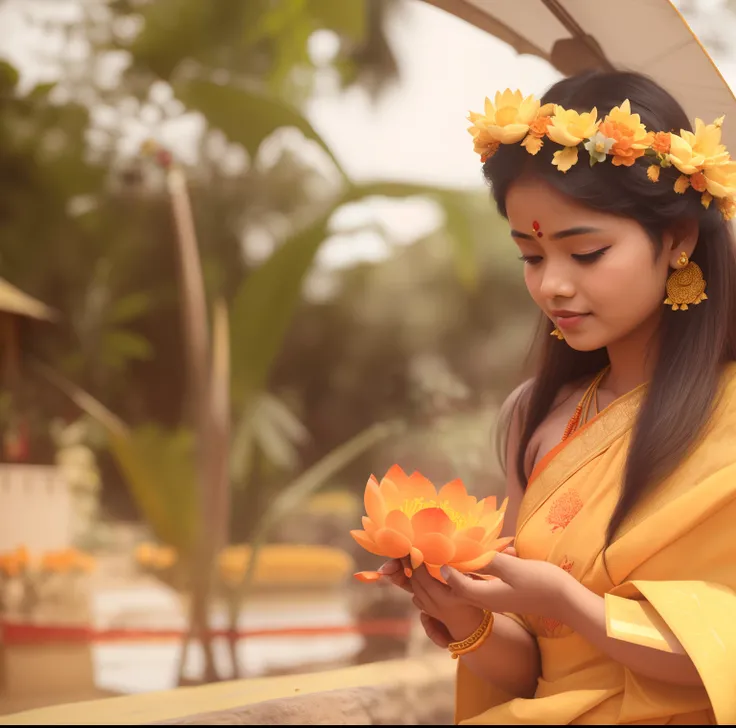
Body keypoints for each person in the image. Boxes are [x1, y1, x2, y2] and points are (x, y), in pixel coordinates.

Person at [378, 70, 736, 724]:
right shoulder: (535, 419)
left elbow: (725, 655)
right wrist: (456, 604)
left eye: (587, 252)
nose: (553, 287)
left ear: (679, 240)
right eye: (531, 256)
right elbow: (536, 671)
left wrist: (573, 602)